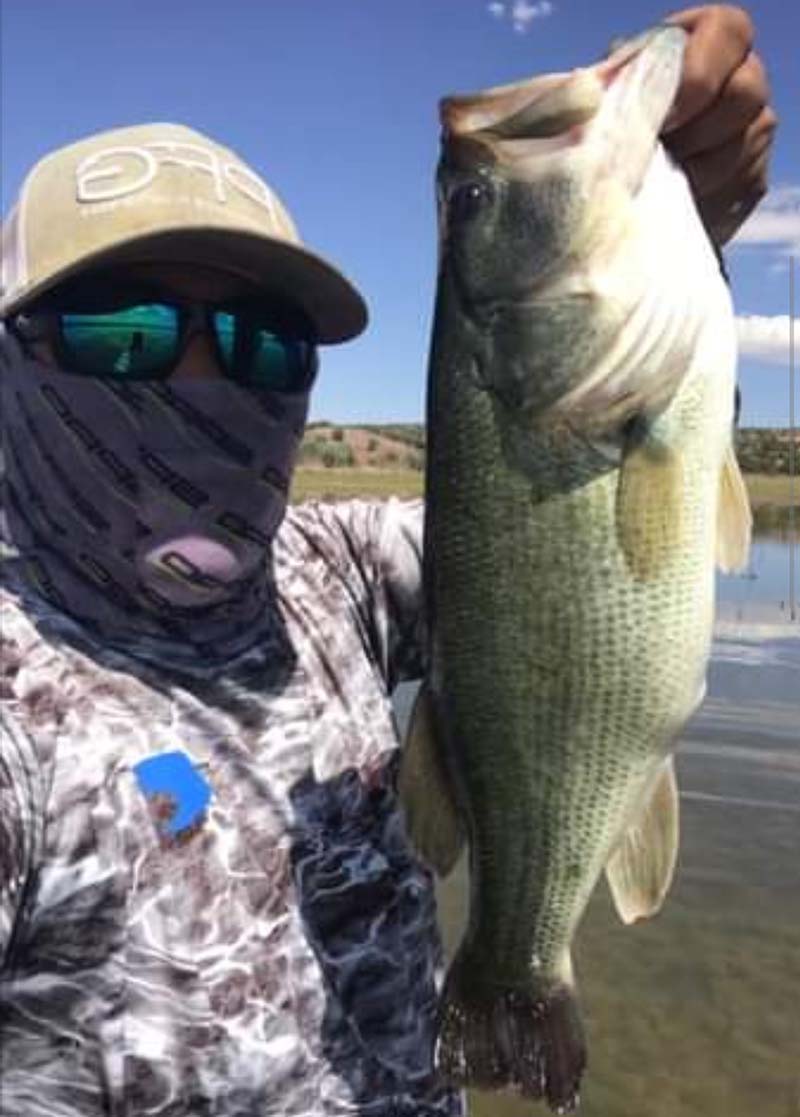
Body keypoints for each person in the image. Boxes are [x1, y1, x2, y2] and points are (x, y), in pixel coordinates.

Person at [0, 7, 776, 1116]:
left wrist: (686, 241)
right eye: (123, 332)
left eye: (263, 342)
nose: (205, 380)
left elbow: (573, 519)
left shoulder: (338, 571)